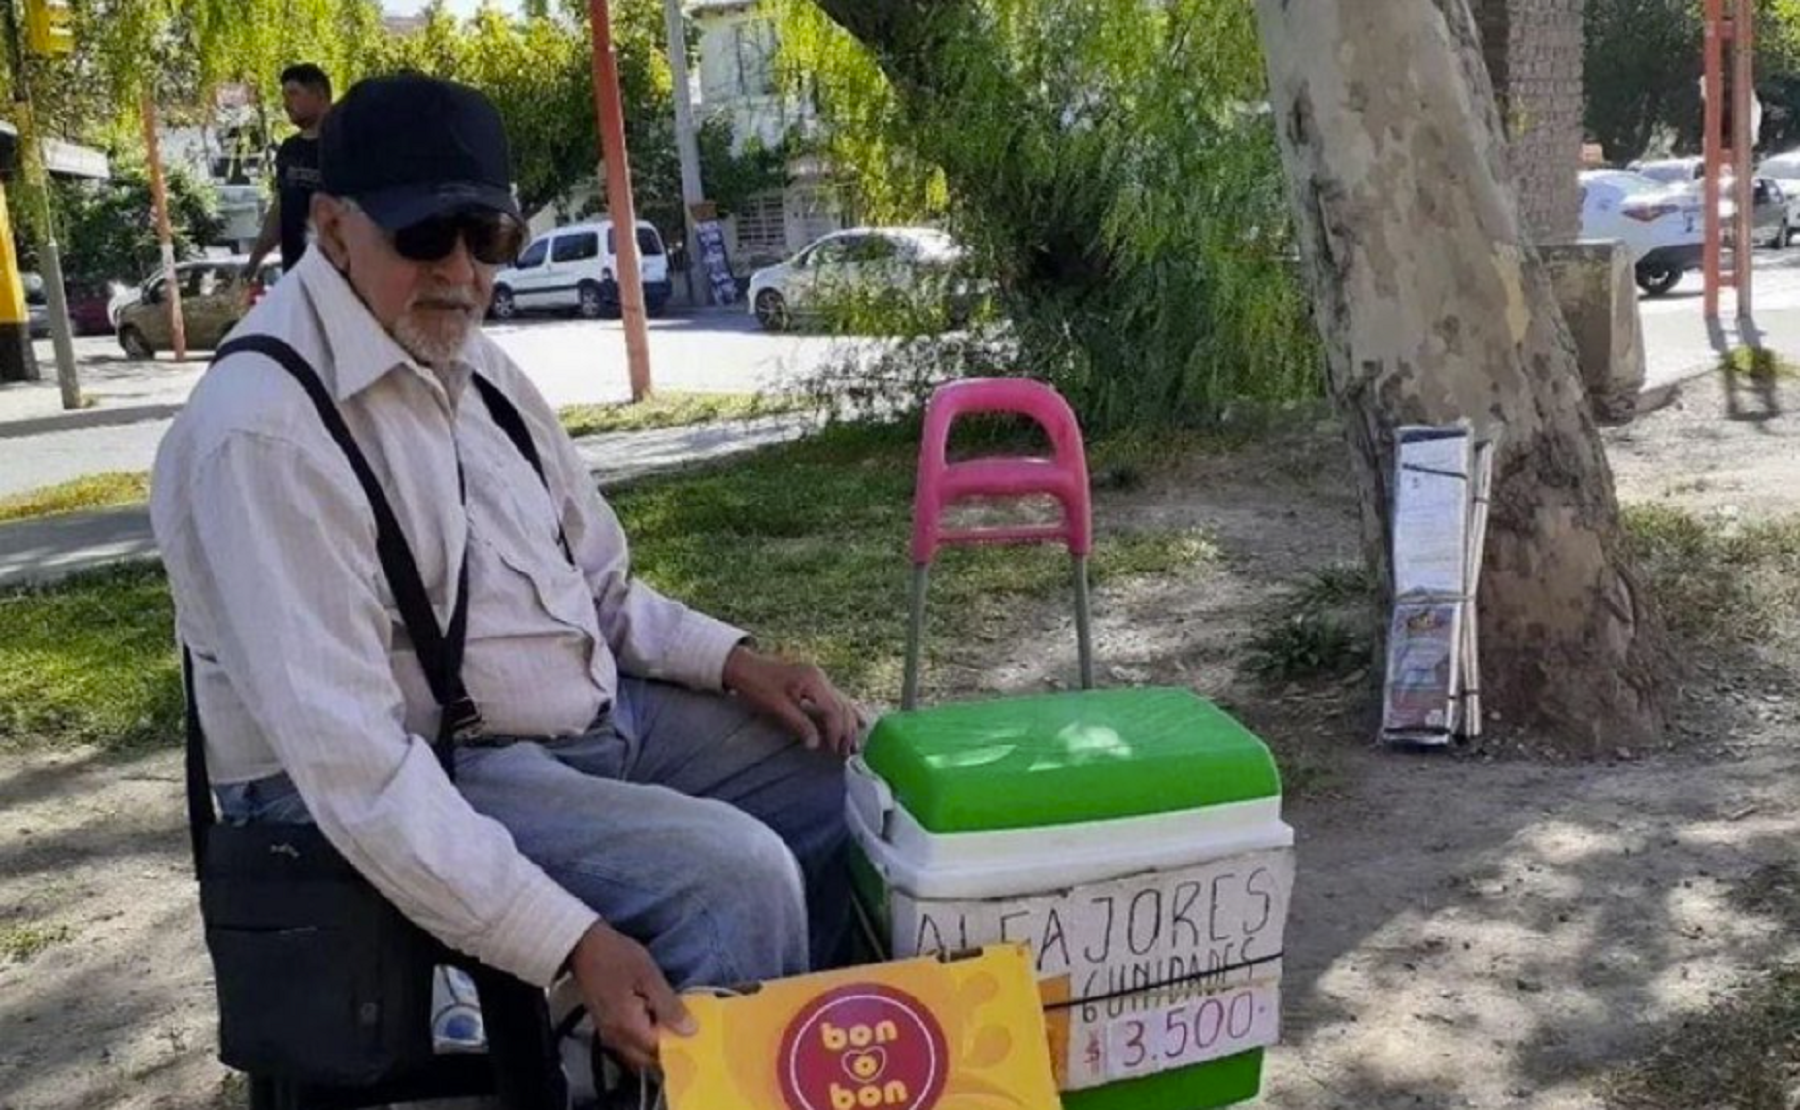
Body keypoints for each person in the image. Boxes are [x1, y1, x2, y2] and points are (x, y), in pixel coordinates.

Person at [152, 73, 857, 1083]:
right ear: (333, 227)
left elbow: (601, 591)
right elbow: (358, 774)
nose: (461, 273)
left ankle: (789, 1072)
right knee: (731, 882)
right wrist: (566, 939)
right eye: (425, 235)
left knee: (839, 773)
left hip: (581, 732)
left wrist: (738, 661)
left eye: (489, 239)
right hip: (408, 774)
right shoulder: (265, 432)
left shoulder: (479, 368)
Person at [244, 63, 333, 277]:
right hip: (296, 273)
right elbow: (279, 210)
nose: (286, 103)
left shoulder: (345, 145)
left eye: (293, 93)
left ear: (320, 95)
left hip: (338, 273)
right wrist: (254, 262)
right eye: (284, 95)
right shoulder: (289, 150)